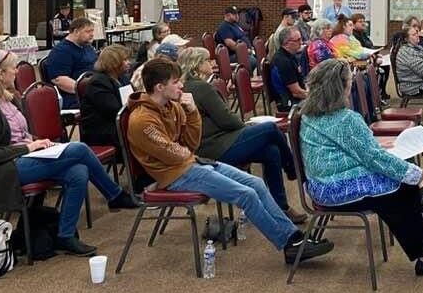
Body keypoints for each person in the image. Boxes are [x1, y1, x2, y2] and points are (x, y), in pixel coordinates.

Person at [126, 58, 333, 264]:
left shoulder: (174, 106)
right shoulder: (142, 120)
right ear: (160, 87)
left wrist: (192, 113)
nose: (181, 85)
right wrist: (187, 151)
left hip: (192, 163)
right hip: (175, 175)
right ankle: (288, 244)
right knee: (246, 195)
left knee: (256, 183)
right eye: (175, 82)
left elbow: (191, 142)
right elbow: (174, 154)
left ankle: (295, 237)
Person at [0, 49, 141, 257]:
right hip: (2, 170)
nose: (16, 73)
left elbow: (21, 134)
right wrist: (26, 148)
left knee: (78, 171)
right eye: (12, 69)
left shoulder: (9, 99)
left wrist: (37, 142)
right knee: (79, 149)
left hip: (24, 158)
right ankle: (115, 195)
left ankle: (65, 236)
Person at [300, 59, 423, 276]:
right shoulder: (345, 119)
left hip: (322, 183)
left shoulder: (311, 114)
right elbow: (372, 158)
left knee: (402, 182)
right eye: (349, 82)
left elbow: (346, 147)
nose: (351, 87)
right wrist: (418, 173)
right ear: (341, 87)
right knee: (404, 189)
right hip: (334, 189)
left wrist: (374, 145)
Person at [180, 47, 306, 223]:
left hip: (212, 143)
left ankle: (280, 207)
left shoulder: (191, 86)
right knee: (270, 128)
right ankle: (293, 168)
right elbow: (227, 120)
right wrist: (245, 126)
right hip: (216, 146)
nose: (213, 63)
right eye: (208, 60)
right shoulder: (201, 88)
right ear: (196, 66)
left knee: (271, 152)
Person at [79, 45, 131, 149]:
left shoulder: (122, 78)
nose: (129, 62)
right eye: (125, 60)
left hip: (118, 124)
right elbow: (114, 110)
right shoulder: (98, 83)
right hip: (103, 132)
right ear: (114, 62)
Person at [45, 17, 98, 109]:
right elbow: (59, 80)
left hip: (93, 89)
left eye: (92, 31)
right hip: (75, 97)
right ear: (76, 31)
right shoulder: (61, 51)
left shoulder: (86, 46)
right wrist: (88, 91)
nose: (92, 34)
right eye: (88, 31)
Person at [270, 27, 308, 112]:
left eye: (301, 39)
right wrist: (316, 97)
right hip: (289, 104)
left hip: (297, 98)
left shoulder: (290, 56)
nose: (301, 43)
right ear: (286, 43)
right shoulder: (283, 62)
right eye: (297, 40)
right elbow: (297, 93)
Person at [215, 5, 256, 72]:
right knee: (251, 60)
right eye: (234, 14)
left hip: (243, 52)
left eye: (237, 13)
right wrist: (245, 51)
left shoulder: (235, 25)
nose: (237, 16)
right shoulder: (224, 27)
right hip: (230, 55)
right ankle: (244, 78)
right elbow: (230, 44)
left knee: (259, 58)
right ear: (227, 15)